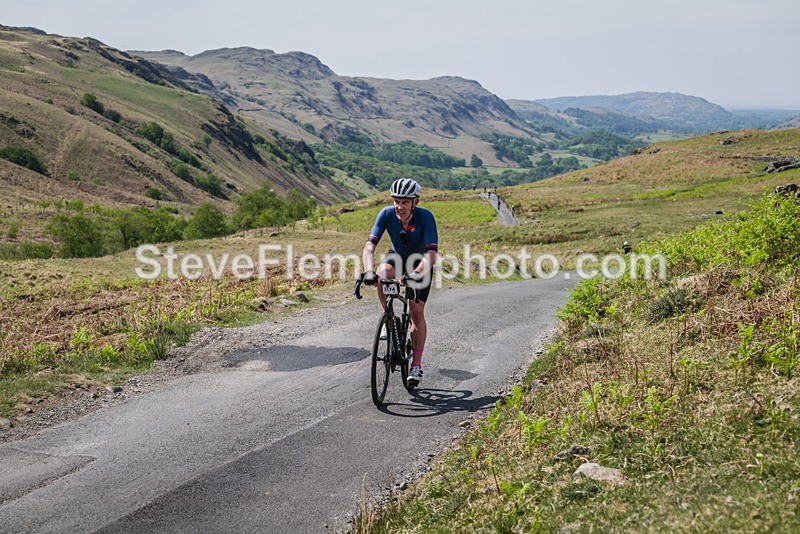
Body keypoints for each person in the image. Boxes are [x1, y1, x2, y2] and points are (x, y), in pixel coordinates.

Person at [362, 178, 438, 387]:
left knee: (415, 312)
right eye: (397, 201)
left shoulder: (425, 217)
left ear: (415, 202)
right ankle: (388, 315)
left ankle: (416, 365)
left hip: (420, 262)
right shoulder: (386, 214)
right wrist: (368, 271)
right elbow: (370, 246)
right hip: (397, 256)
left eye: (405, 202)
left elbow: (431, 254)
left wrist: (416, 273)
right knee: (382, 273)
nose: (400, 206)